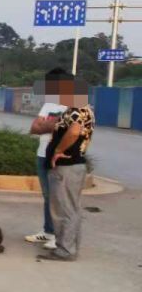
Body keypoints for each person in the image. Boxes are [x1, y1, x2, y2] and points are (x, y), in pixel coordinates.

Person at [38, 73, 94, 262]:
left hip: (67, 167)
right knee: (71, 209)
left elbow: (75, 131)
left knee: (64, 209)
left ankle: (65, 251)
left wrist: (57, 151)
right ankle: (69, 248)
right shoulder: (78, 109)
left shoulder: (78, 110)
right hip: (72, 166)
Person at [25, 68, 68, 250]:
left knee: (58, 197)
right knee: (47, 196)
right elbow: (34, 127)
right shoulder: (49, 104)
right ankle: (48, 231)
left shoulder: (73, 105)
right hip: (42, 153)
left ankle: (59, 236)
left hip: (57, 156)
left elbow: (67, 130)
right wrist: (52, 124)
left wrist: (48, 124)